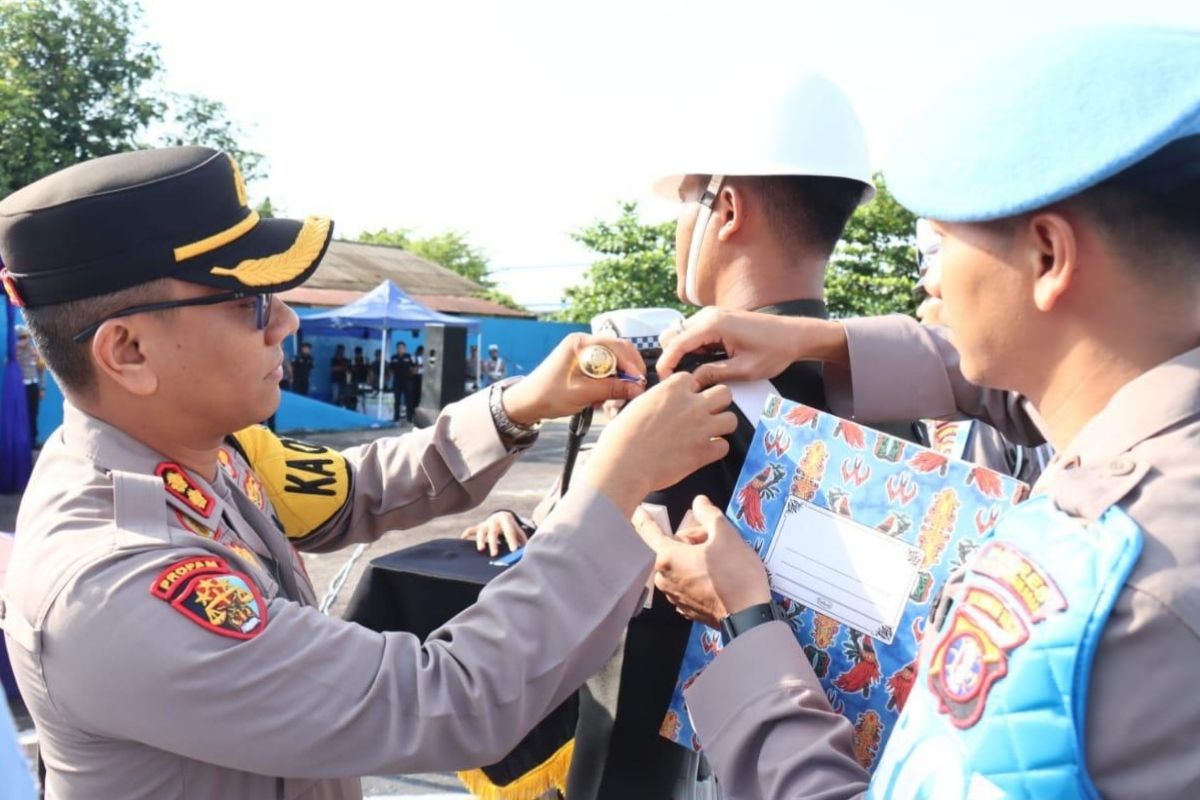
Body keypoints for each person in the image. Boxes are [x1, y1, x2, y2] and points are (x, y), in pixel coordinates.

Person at [0, 146, 738, 799]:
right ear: (127, 352)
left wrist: (522, 404)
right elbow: (441, 700)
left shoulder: (187, 450)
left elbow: (350, 490)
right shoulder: (116, 581)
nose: (286, 322)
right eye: (251, 303)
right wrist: (613, 489)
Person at [646, 25, 1200, 799]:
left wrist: (744, 626)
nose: (929, 282)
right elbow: (1006, 387)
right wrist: (813, 338)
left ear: (1047, 257)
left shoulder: (1102, 591)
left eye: (935, 243)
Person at [912, 218, 1052, 485]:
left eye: (940, 297)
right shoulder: (1031, 387)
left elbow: (962, 511)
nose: (926, 309)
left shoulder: (976, 409)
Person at [14, 325, 43, 444]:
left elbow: (41, 370)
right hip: (21, 387)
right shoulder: (14, 352)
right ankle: (21, 442)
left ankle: (33, 440)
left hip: (33, 386)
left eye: (25, 337)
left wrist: (42, 387)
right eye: (20, 337)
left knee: (33, 414)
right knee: (21, 414)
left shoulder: (34, 350)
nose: (23, 340)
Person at [389, 341, 414, 423]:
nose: (400, 349)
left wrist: (411, 374)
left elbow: (414, 366)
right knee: (397, 400)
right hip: (397, 381)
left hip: (407, 381)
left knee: (408, 400)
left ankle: (409, 417)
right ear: (396, 349)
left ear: (405, 349)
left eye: (402, 348)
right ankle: (396, 417)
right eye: (399, 348)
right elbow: (391, 369)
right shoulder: (393, 357)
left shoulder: (409, 357)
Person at [412, 344, 425, 413]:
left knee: (419, 392)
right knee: (415, 392)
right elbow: (414, 366)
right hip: (415, 376)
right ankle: (413, 406)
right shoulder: (414, 357)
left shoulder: (422, 358)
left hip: (420, 376)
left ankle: (417, 405)